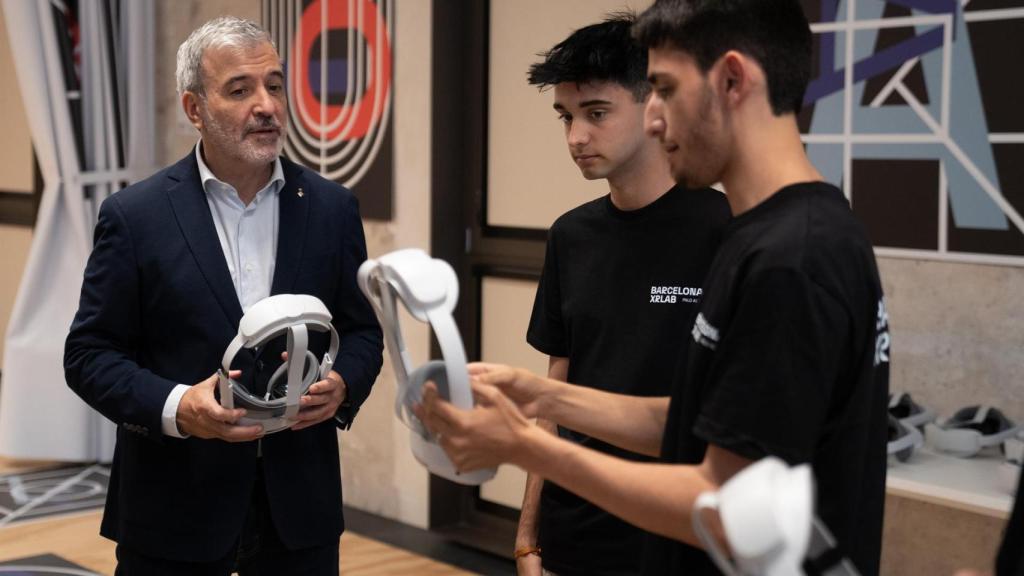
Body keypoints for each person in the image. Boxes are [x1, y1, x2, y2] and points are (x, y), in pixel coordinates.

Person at [416, 1, 890, 575]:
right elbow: (696, 424)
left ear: (733, 81)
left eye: (664, 89)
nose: (656, 118)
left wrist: (524, 446)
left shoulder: (791, 260)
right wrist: (540, 397)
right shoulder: (774, 237)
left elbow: (728, 514)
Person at [64, 16, 383, 576]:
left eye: (275, 85)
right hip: (172, 514)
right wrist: (179, 407)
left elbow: (362, 331)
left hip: (300, 515)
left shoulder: (332, 208)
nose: (266, 105)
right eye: (240, 89)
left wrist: (344, 385)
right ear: (194, 109)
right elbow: (89, 355)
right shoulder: (135, 217)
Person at [515, 13, 728, 576]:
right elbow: (555, 389)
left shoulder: (727, 231)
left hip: (682, 532)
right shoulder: (571, 235)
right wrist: (527, 539)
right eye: (566, 117)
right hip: (576, 532)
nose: (576, 137)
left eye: (597, 114)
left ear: (654, 106)